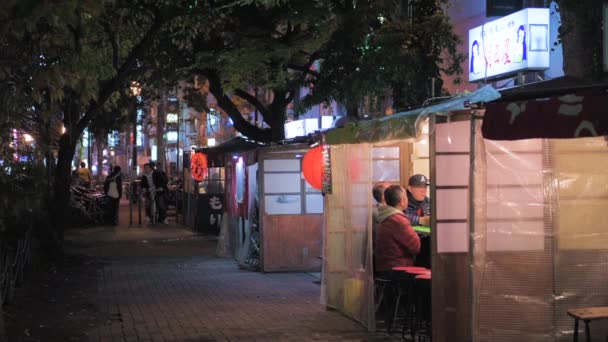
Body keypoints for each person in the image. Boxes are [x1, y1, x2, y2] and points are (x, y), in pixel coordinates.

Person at [375, 185, 421, 275]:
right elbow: (416, 247)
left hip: (383, 266)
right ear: (402, 201)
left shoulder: (385, 215)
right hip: (396, 269)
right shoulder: (398, 220)